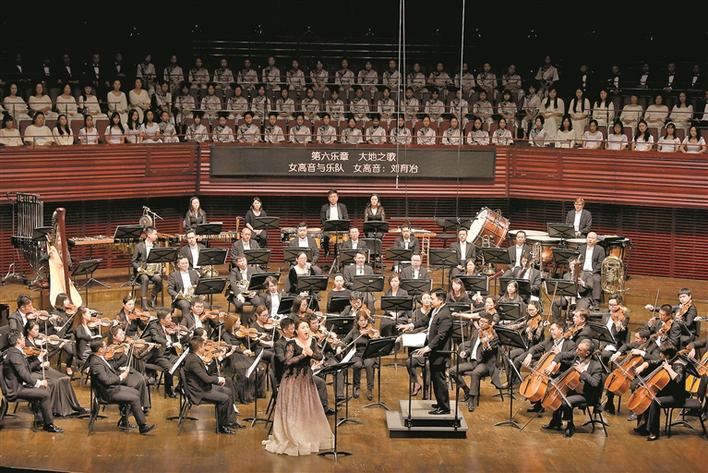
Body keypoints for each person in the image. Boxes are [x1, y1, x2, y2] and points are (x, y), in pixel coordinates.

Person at [263, 319, 334, 455]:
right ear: (296, 330)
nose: (306, 329)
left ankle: (306, 433)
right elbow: (287, 361)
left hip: (306, 379)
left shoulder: (312, 341)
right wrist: (303, 355)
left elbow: (320, 356)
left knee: (307, 407)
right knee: (295, 407)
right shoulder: (291, 343)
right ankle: (294, 435)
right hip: (292, 379)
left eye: (307, 327)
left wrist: (312, 354)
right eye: (303, 327)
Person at [3, 331, 64, 432]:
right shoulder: (15, 355)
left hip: (19, 386)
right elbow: (24, 375)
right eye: (22, 338)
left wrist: (38, 359)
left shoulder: (15, 352)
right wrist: (38, 382)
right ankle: (49, 425)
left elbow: (27, 369)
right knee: (45, 394)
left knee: (45, 389)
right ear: (18, 341)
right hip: (15, 390)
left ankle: (41, 419)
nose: (24, 339)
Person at [542, 339, 603, 437]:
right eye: (577, 348)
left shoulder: (596, 366)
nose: (576, 351)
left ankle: (570, 426)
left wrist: (582, 371)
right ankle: (556, 422)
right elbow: (560, 355)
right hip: (576, 389)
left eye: (580, 350)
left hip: (587, 394)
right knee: (559, 395)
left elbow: (595, 383)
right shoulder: (577, 355)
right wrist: (552, 365)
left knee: (566, 402)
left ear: (587, 353)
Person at [23, 321, 85, 417]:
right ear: (28, 331)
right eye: (35, 330)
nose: (38, 332)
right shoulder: (26, 345)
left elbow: (43, 356)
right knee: (56, 381)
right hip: (35, 371)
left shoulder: (36, 341)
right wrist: (41, 364)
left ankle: (69, 406)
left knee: (65, 378)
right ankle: (54, 409)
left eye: (38, 329)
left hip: (41, 367)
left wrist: (57, 348)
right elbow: (28, 365)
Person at [183, 337, 238, 434]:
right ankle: (222, 426)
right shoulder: (193, 361)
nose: (205, 348)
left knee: (228, 391)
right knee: (225, 398)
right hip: (199, 391)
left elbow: (206, 373)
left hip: (202, 387)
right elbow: (206, 379)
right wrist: (218, 379)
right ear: (199, 348)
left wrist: (215, 361)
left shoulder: (194, 357)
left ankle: (230, 421)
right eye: (203, 346)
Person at [633, 343, 687, 440]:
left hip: (677, 396)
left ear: (668, 355)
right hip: (667, 392)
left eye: (661, 353)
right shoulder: (665, 360)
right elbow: (651, 362)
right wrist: (642, 366)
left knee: (655, 401)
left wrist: (668, 369)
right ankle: (643, 427)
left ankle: (654, 432)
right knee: (647, 396)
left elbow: (678, 380)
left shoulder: (679, 365)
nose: (660, 355)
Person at [413, 290, 453, 415]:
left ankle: (444, 407)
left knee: (439, 379)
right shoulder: (435, 310)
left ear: (440, 300)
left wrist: (428, 347)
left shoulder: (445, 314)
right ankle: (440, 402)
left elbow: (441, 336)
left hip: (440, 351)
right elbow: (425, 320)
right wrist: (411, 325)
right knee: (435, 378)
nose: (430, 300)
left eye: (432, 298)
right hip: (434, 350)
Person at [449, 313, 500, 411]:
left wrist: (486, 345)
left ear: (489, 323)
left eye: (484, 322)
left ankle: (472, 399)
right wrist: (466, 352)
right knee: (452, 371)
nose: (481, 323)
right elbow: (473, 348)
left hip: (485, 363)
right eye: (481, 321)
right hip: (474, 362)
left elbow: (489, 353)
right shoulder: (476, 332)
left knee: (475, 373)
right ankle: (466, 390)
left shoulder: (493, 335)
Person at [341, 308, 380, 400]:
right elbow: (345, 341)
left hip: (370, 353)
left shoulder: (371, 329)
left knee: (368, 364)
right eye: (361, 321)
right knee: (357, 365)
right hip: (357, 354)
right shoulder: (354, 331)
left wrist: (376, 336)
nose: (363, 322)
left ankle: (370, 389)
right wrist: (340, 345)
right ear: (357, 321)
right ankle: (356, 387)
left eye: (365, 320)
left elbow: (377, 343)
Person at [399, 292, 433, 397]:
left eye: (429, 298)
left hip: (428, 342)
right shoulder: (416, 312)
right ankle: (417, 383)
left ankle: (426, 387)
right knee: (409, 362)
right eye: (424, 298)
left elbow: (429, 328)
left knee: (427, 365)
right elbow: (414, 327)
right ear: (421, 301)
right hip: (416, 341)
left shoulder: (433, 312)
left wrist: (421, 330)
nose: (427, 300)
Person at [131, 226, 162, 309]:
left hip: (151, 271)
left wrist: (159, 268)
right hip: (141, 272)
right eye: (155, 234)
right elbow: (133, 261)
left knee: (158, 279)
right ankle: (144, 302)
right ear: (149, 235)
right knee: (145, 278)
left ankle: (152, 297)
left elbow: (158, 260)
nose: (156, 236)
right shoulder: (139, 246)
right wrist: (139, 268)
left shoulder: (156, 246)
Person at [319, 189, 349, 256]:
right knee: (323, 237)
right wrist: (326, 225)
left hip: (340, 228)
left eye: (334, 196)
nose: (333, 198)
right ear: (328, 198)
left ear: (337, 198)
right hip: (328, 228)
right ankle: (327, 251)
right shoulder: (324, 207)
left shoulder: (342, 206)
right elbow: (322, 219)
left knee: (338, 240)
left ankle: (337, 254)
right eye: (331, 197)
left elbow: (346, 218)